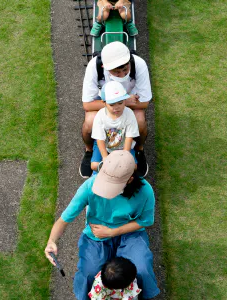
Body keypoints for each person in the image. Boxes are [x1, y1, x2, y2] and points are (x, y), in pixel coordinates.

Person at [45, 150, 160, 300]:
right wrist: (51, 241)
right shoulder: (89, 186)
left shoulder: (145, 191)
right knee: (89, 273)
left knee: (142, 269)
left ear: (130, 179)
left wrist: (113, 232)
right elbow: (63, 220)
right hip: (96, 236)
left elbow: (145, 221)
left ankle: (141, 295)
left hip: (130, 234)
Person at [80, 41, 152, 178]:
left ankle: (139, 149)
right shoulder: (94, 67)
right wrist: (121, 102)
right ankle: (89, 150)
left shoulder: (139, 64)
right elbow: (87, 105)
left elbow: (144, 103)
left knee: (140, 121)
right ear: (105, 68)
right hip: (111, 103)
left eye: (125, 70)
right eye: (116, 72)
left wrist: (122, 105)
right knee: (89, 122)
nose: (122, 75)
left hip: (130, 105)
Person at [91, 81, 139, 172]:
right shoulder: (100, 116)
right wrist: (105, 157)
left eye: (120, 103)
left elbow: (129, 137)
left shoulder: (129, 114)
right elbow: (100, 139)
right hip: (105, 145)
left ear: (125, 101)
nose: (116, 107)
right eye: (112, 105)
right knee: (94, 165)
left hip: (123, 146)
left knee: (133, 166)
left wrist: (124, 156)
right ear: (104, 103)